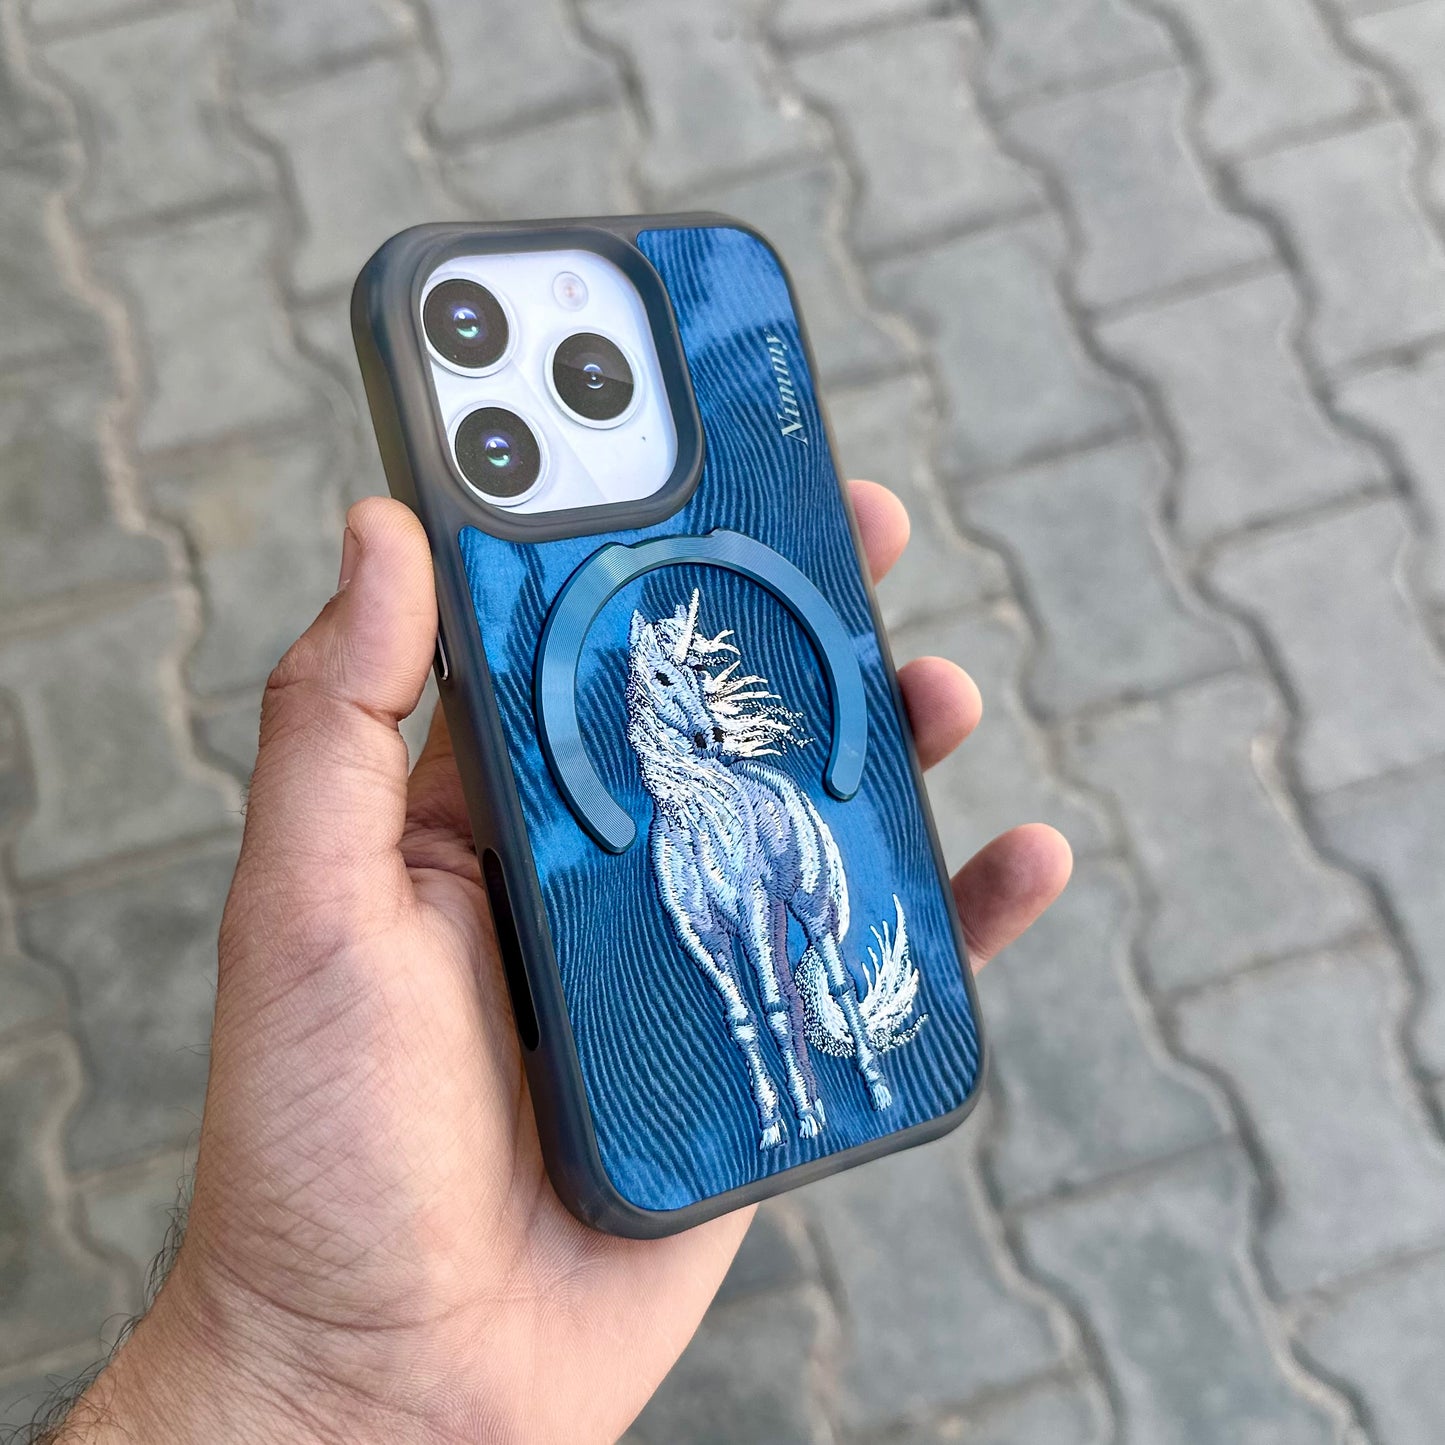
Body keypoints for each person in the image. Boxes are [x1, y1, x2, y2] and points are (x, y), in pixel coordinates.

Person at [44, 485, 1071, 1444]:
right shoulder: (653, 803)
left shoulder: (750, 787)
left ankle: (841, 1070)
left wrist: (311, 1389)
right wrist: (315, 1380)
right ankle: (781, 1095)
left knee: (797, 953)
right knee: (737, 983)